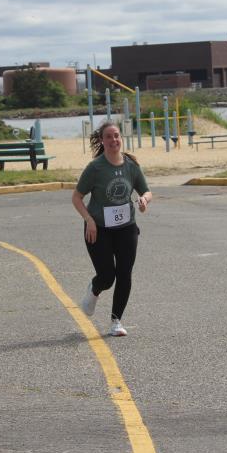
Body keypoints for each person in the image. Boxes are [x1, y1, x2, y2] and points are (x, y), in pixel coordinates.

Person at [71, 121, 151, 336]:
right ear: (102, 140)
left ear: (120, 138)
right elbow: (77, 197)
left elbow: (146, 191)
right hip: (98, 229)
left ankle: (116, 321)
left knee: (125, 274)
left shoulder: (131, 165)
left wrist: (144, 200)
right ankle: (94, 289)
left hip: (126, 228)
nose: (113, 140)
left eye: (116, 135)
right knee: (107, 277)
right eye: (108, 136)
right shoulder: (95, 168)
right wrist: (88, 219)